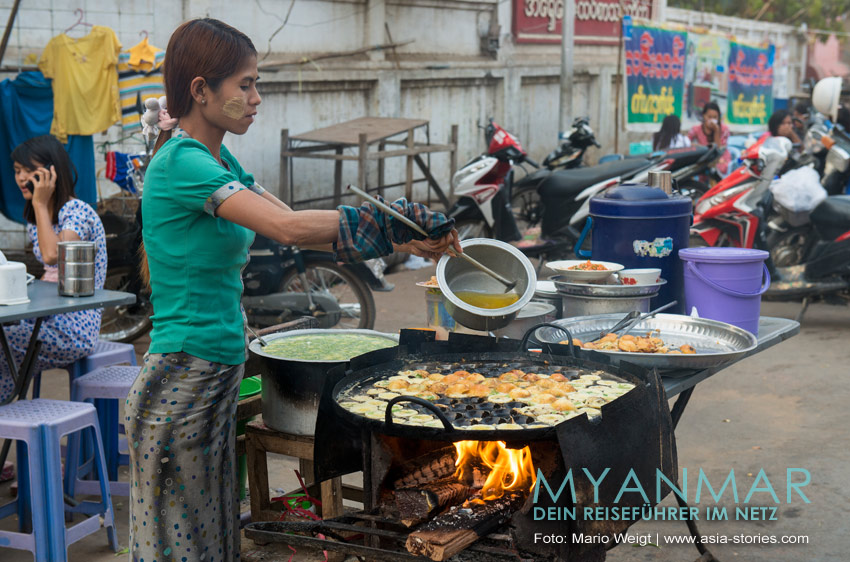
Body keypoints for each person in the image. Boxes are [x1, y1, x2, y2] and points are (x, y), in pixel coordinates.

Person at [124, 18, 460, 561]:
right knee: (179, 547)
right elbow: (285, 231)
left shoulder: (218, 159)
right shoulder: (181, 163)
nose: (257, 98)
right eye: (246, 85)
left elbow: (291, 218)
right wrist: (389, 227)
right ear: (201, 90)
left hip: (213, 372)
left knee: (211, 539)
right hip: (181, 380)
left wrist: (400, 234)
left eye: (257, 84)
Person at [1, 135, 107, 403]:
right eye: (17, 171)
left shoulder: (76, 211)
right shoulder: (37, 220)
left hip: (73, 328)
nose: (22, 178)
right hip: (43, 320)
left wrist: (38, 203)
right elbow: (49, 275)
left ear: (51, 173)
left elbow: (52, 256)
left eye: (29, 171)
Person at [687, 101, 731, 174]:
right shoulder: (696, 129)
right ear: (704, 116)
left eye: (715, 117)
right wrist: (700, 147)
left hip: (720, 157)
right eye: (709, 117)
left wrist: (716, 131)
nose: (712, 120)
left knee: (719, 167)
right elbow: (686, 142)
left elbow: (719, 150)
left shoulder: (724, 129)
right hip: (704, 156)